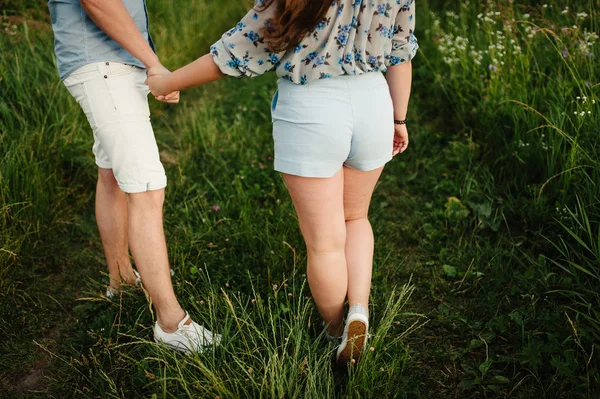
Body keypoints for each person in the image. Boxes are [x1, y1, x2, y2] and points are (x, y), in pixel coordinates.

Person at [148, 0, 417, 363]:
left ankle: (336, 331)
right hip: (374, 101)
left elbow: (238, 50)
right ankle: (359, 310)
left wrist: (166, 80)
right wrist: (399, 119)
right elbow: (401, 51)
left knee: (324, 244)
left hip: (312, 105)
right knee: (355, 217)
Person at [47, 0, 220, 354]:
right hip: (100, 63)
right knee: (146, 187)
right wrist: (154, 64)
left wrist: (148, 66)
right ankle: (171, 323)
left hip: (114, 62)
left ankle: (122, 279)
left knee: (111, 172)